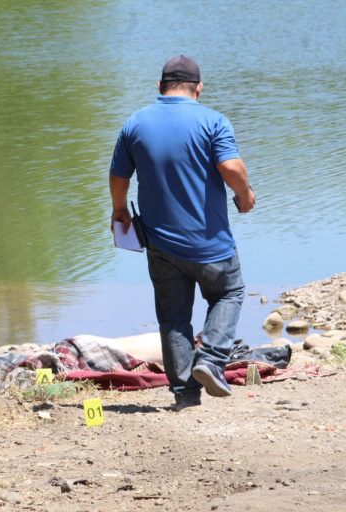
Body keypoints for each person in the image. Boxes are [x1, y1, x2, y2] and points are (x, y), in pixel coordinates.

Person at [108, 55, 256, 411]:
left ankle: (185, 395)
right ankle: (212, 359)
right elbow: (230, 166)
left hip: (159, 242)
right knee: (229, 293)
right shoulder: (213, 121)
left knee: (174, 316)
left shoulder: (135, 123)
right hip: (211, 244)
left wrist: (119, 210)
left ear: (160, 87)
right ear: (199, 88)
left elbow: (118, 177)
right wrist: (244, 195)